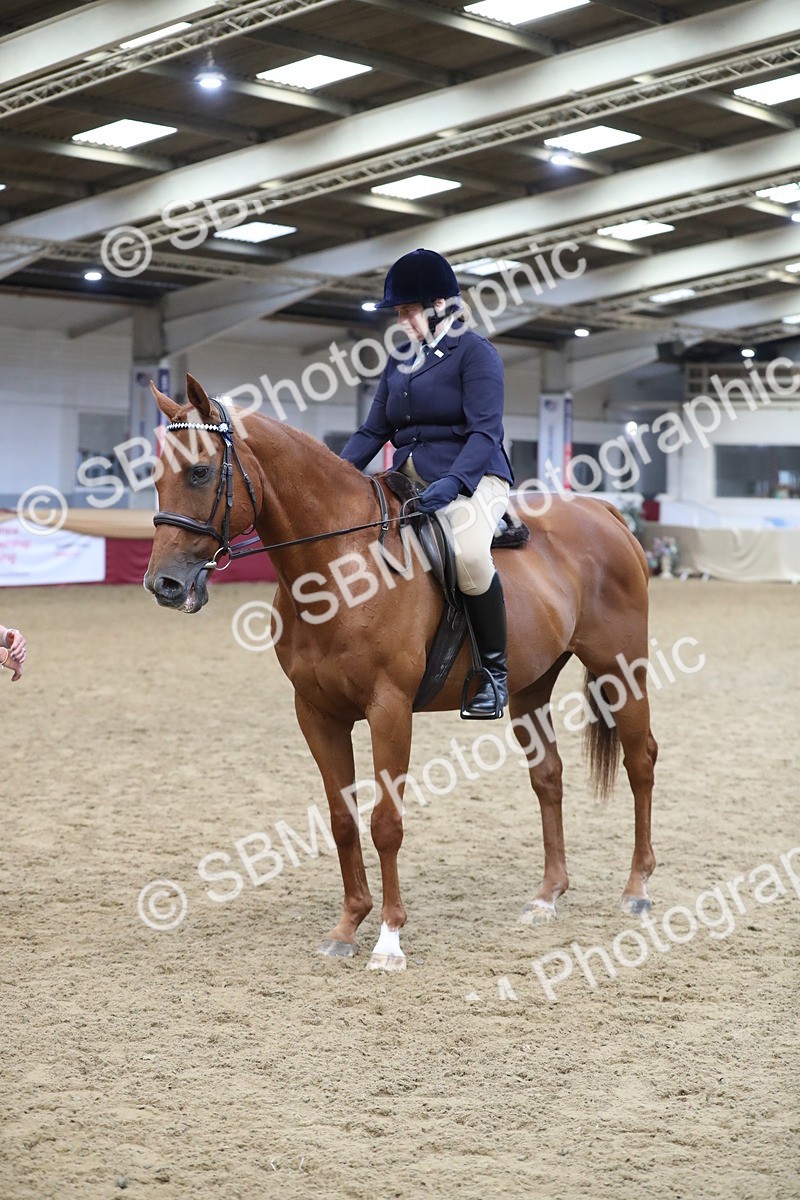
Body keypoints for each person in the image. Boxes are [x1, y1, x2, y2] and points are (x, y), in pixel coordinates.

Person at [340, 247, 514, 719]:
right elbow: (373, 431)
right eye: (398, 312)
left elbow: (485, 432)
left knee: (469, 554)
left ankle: (493, 674)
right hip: (410, 477)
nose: (401, 322)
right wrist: (334, 475)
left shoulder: (475, 353)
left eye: (408, 311)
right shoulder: (399, 360)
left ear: (440, 306)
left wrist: (455, 482)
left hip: (475, 474)